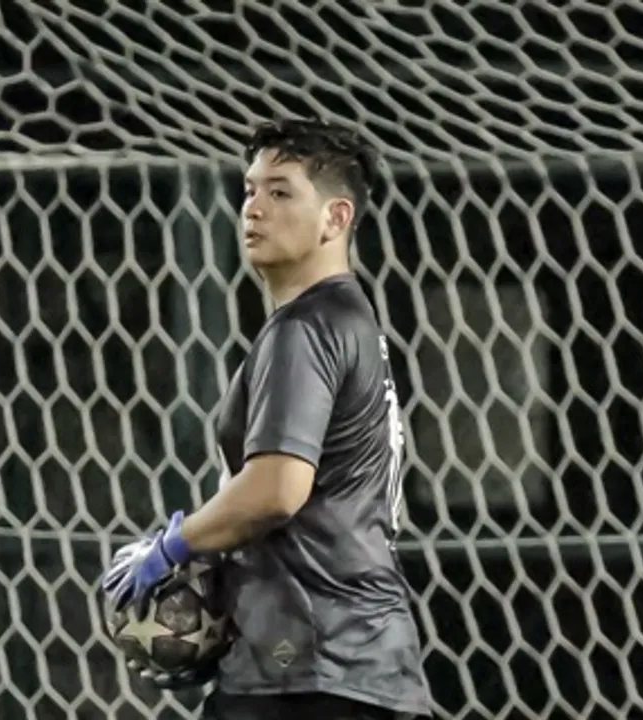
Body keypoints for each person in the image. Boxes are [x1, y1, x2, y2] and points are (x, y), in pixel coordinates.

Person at [102, 118, 431, 720]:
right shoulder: (348, 321)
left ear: (336, 218)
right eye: (250, 190)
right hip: (353, 663)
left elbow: (276, 490)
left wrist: (172, 547)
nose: (254, 208)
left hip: (308, 670)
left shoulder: (305, 329)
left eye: (280, 192)